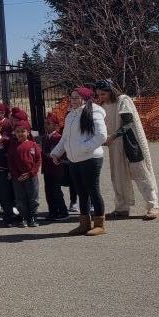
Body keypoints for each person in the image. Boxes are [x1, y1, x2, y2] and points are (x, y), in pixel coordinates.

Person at [95, 79, 159, 221]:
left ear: (110, 90)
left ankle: (153, 206)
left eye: (103, 94)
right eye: (98, 94)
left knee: (141, 174)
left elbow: (128, 122)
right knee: (118, 176)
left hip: (130, 143)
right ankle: (122, 208)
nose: (101, 97)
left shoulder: (123, 100)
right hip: (115, 145)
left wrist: (113, 136)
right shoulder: (103, 105)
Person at [51, 86, 108, 236]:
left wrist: (84, 148)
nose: (73, 100)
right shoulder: (70, 115)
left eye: (77, 97)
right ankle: (84, 224)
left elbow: (102, 136)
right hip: (74, 160)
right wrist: (56, 153)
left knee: (93, 190)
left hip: (90, 158)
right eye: (72, 97)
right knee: (81, 192)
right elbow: (65, 138)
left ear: (85, 98)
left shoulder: (94, 111)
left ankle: (100, 224)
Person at [8, 120, 42, 228]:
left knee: (33, 197)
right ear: (14, 133)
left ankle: (33, 217)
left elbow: (38, 160)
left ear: (28, 132)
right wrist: (17, 174)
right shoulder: (13, 146)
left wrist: (31, 173)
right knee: (20, 198)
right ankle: (23, 217)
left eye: (23, 131)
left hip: (31, 177)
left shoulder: (33, 145)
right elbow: (11, 162)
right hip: (18, 178)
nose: (20, 134)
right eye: (17, 131)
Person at [40, 113, 69, 221]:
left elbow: (62, 153)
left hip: (56, 169)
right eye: (45, 123)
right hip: (47, 169)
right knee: (48, 191)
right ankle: (52, 211)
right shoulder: (44, 138)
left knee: (56, 191)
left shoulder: (58, 137)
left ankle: (63, 211)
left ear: (56, 126)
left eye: (48, 123)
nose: (46, 126)